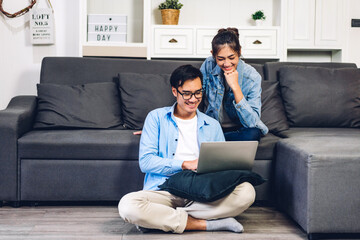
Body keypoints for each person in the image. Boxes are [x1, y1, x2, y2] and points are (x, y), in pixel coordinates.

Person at [118, 65, 255, 234]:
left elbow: (220, 166)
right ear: (175, 91)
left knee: (247, 191)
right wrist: (185, 164)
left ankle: (161, 219)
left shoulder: (212, 125)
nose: (193, 99)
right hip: (163, 190)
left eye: (198, 92)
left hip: (200, 191)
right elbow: (146, 162)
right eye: (187, 93)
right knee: (127, 206)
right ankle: (204, 224)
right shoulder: (156, 118)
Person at [200, 27, 268, 141]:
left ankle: (215, 141)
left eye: (231, 57)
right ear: (213, 54)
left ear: (239, 52)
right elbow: (197, 94)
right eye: (221, 59)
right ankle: (218, 140)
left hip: (240, 128)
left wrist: (235, 87)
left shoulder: (252, 77)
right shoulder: (208, 65)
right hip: (214, 127)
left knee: (253, 134)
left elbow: (252, 122)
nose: (227, 64)